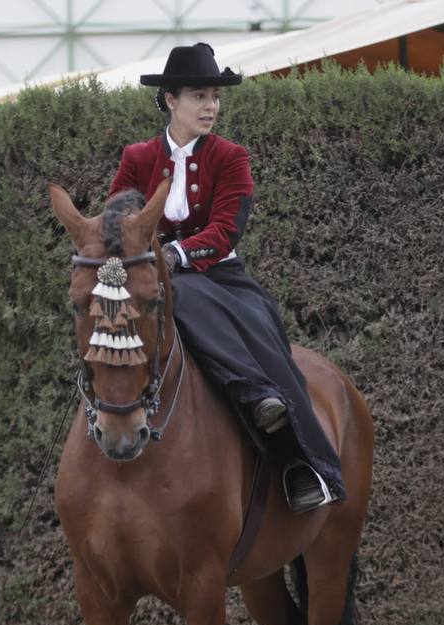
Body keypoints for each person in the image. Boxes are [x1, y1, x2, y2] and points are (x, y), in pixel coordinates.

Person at [109, 43, 346, 514]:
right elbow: (120, 218)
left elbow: (224, 231)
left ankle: (296, 452)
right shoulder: (137, 157)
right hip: (154, 277)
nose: (211, 107)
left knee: (224, 314)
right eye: (200, 96)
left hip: (221, 277)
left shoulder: (231, 156)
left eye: (215, 96)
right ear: (170, 101)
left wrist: (173, 255)